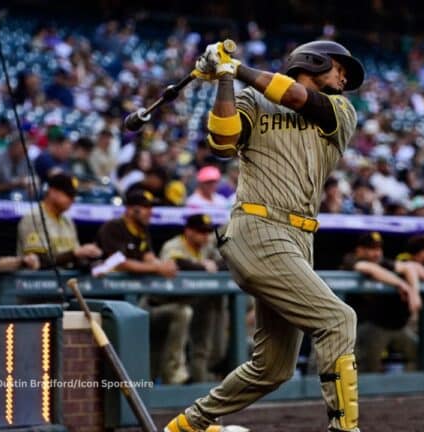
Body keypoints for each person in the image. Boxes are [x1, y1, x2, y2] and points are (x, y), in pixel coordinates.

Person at [165, 40, 365, 432]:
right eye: (340, 67)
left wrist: (233, 68)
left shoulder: (341, 111)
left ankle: (188, 426)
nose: (345, 77)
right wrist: (224, 78)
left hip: (299, 239)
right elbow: (221, 143)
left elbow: (297, 96)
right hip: (257, 227)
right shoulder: (254, 102)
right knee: (339, 319)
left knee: (273, 367)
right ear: (314, 61)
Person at [342, 232, 424, 373]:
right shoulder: (352, 259)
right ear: (359, 250)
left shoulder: (381, 262)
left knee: (421, 355)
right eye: (371, 249)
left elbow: (410, 267)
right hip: (368, 326)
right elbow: (368, 268)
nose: (376, 253)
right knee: (368, 368)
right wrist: (401, 284)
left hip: (394, 325)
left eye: (378, 249)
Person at [149, 213, 227, 384]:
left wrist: (212, 265)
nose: (205, 236)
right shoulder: (174, 244)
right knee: (155, 357)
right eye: (200, 232)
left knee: (207, 338)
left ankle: (201, 378)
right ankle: (174, 378)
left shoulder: (206, 246)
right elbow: (177, 264)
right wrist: (203, 267)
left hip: (191, 302)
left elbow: (227, 261)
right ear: (188, 231)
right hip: (160, 304)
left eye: (207, 232)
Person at [17, 173, 101, 269]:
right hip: (39, 281)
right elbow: (38, 261)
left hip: (66, 279)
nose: (72, 200)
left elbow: (74, 259)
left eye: (74, 195)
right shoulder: (33, 218)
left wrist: (90, 262)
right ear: (52, 192)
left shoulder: (68, 221)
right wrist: (74, 254)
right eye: (69, 195)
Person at [95, 187, 177, 277]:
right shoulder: (113, 227)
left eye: (151, 207)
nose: (150, 212)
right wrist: (157, 268)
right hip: (103, 281)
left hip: (128, 283)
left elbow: (148, 256)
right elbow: (119, 263)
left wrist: (163, 265)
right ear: (129, 209)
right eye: (145, 207)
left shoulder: (142, 228)